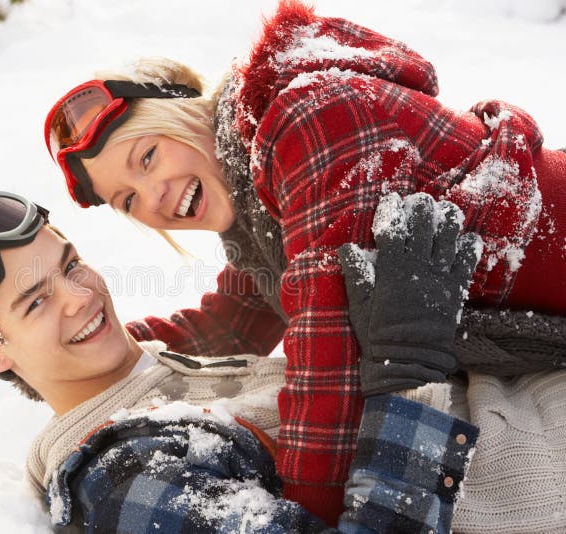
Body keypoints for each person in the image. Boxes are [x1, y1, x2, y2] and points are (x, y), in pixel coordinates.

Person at [42, 0, 566, 521]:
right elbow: (227, 327)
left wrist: (307, 514)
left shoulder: (310, 122)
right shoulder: (253, 205)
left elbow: (329, 356)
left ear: (183, 111)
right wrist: (72, 352)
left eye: (147, 155)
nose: (152, 196)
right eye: (127, 200)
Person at [0, 188, 481, 533]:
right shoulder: (124, 476)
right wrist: (410, 370)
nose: (81, 297)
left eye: (71, 265)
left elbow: (233, 310)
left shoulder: (159, 366)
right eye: (35, 302)